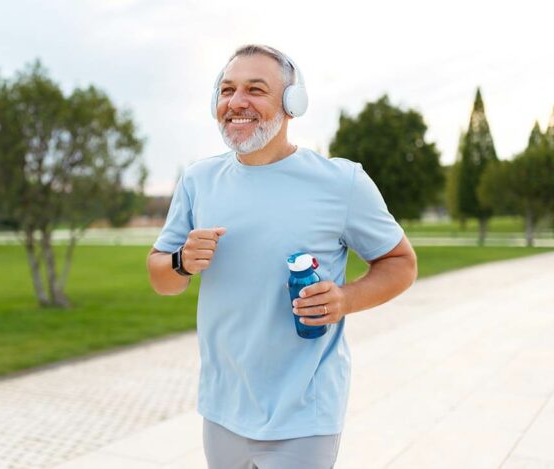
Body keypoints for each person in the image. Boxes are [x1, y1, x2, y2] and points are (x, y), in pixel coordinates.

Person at [146, 44, 418, 469]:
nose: (236, 102)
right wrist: (181, 261)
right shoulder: (198, 181)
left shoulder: (341, 182)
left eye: (255, 89)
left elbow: (401, 263)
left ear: (292, 104)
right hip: (223, 406)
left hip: (305, 412)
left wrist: (345, 299)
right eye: (227, 90)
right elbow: (162, 278)